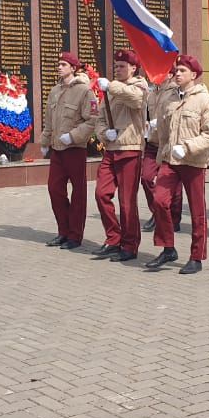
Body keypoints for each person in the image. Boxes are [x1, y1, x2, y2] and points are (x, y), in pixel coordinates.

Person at [145, 55, 209, 274]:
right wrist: (159, 143)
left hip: (193, 161)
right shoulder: (169, 98)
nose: (177, 74)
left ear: (193, 75)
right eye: (176, 70)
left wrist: (187, 147)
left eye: (182, 71)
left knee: (197, 211)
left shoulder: (206, 101)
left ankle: (196, 256)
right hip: (171, 159)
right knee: (160, 200)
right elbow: (165, 132)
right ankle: (168, 248)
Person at [92, 50, 148, 263]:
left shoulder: (140, 86)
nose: (117, 69)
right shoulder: (111, 90)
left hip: (130, 148)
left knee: (127, 202)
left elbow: (135, 100)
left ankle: (130, 244)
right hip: (111, 149)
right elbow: (100, 118)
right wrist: (104, 132)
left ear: (133, 68)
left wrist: (111, 86)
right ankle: (114, 237)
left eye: (122, 66)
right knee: (101, 194)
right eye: (116, 66)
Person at [41, 52, 97, 250]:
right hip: (57, 149)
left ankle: (75, 235)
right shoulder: (55, 90)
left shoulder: (84, 91)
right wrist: (45, 140)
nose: (59, 67)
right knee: (54, 189)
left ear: (73, 68)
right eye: (58, 64)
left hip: (74, 148)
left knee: (78, 193)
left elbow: (92, 120)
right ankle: (63, 230)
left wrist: (73, 136)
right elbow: (49, 118)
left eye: (63, 64)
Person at [140, 73, 182, 233]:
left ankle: (174, 219)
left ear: (170, 74)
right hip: (152, 142)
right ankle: (157, 213)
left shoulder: (175, 92)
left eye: (160, 72)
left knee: (174, 186)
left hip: (169, 143)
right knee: (146, 178)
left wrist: (162, 120)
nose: (154, 75)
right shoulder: (151, 93)